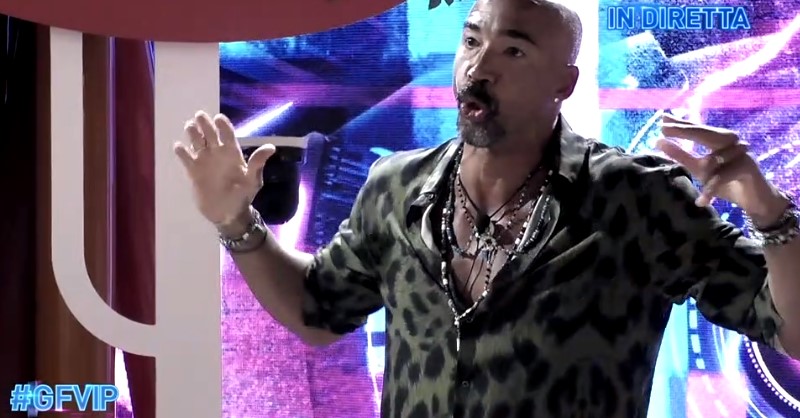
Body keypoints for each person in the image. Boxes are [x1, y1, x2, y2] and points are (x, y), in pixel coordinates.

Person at [174, 0, 800, 416]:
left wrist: (770, 213)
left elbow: (787, 328)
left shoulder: (636, 198)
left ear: (564, 84)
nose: (479, 67)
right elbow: (318, 310)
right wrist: (236, 222)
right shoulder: (394, 187)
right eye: (472, 40)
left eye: (513, 52)